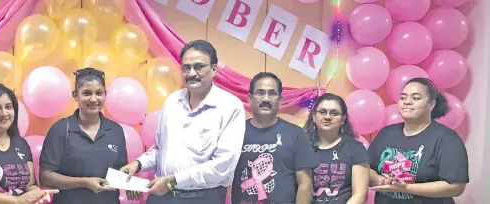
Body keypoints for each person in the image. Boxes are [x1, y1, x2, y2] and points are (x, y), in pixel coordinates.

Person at [120, 40, 246, 204]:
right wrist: (137, 164)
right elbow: (160, 149)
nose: (192, 73)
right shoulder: (173, 101)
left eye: (199, 66)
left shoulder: (230, 106)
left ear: (214, 69)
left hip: (203, 198)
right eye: (186, 67)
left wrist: (173, 181)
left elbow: (222, 166)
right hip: (161, 198)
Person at [368, 78, 468, 203]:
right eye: (403, 98)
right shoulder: (386, 133)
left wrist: (406, 188)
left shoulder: (447, 139)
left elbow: (455, 187)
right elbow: (366, 167)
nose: (407, 102)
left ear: (431, 104)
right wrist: (380, 180)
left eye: (415, 98)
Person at [39, 67, 129, 204]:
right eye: (87, 93)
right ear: (75, 95)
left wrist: (131, 185)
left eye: (99, 93)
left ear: (105, 94)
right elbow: (45, 177)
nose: (93, 99)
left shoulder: (115, 130)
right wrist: (84, 183)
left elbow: (121, 172)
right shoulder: (61, 129)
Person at [231, 72, 317, 204]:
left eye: (272, 93)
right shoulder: (234, 132)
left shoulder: (296, 134)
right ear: (250, 98)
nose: (266, 98)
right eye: (260, 92)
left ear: (280, 99)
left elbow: (305, 186)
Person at [303, 93, 369, 204]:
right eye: (322, 112)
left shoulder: (356, 149)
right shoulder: (301, 147)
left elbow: (360, 195)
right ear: (314, 116)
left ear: (343, 119)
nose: (327, 117)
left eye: (334, 113)